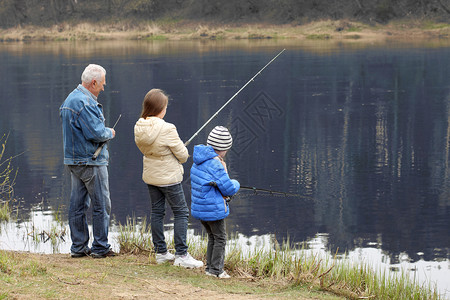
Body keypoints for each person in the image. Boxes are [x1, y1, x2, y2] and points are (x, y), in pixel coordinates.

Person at [134, 88, 203, 268]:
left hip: (151, 175)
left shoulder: (139, 126)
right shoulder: (167, 128)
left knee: (157, 212)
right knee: (181, 212)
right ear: (160, 108)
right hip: (169, 177)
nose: (166, 110)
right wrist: (182, 152)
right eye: (165, 106)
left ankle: (161, 253)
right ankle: (181, 255)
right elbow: (182, 155)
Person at [60, 64, 116, 259]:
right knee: (101, 204)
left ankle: (78, 247)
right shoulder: (85, 102)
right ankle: (100, 247)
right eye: (102, 84)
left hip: (74, 161)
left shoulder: (70, 99)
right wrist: (110, 132)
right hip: (90, 162)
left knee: (78, 205)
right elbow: (96, 133)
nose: (103, 87)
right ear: (93, 82)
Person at [190, 126, 240, 278]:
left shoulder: (198, 160)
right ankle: (217, 271)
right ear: (223, 149)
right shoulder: (216, 164)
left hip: (201, 208)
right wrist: (235, 182)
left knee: (212, 237)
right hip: (212, 209)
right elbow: (229, 189)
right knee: (220, 238)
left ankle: (210, 268)